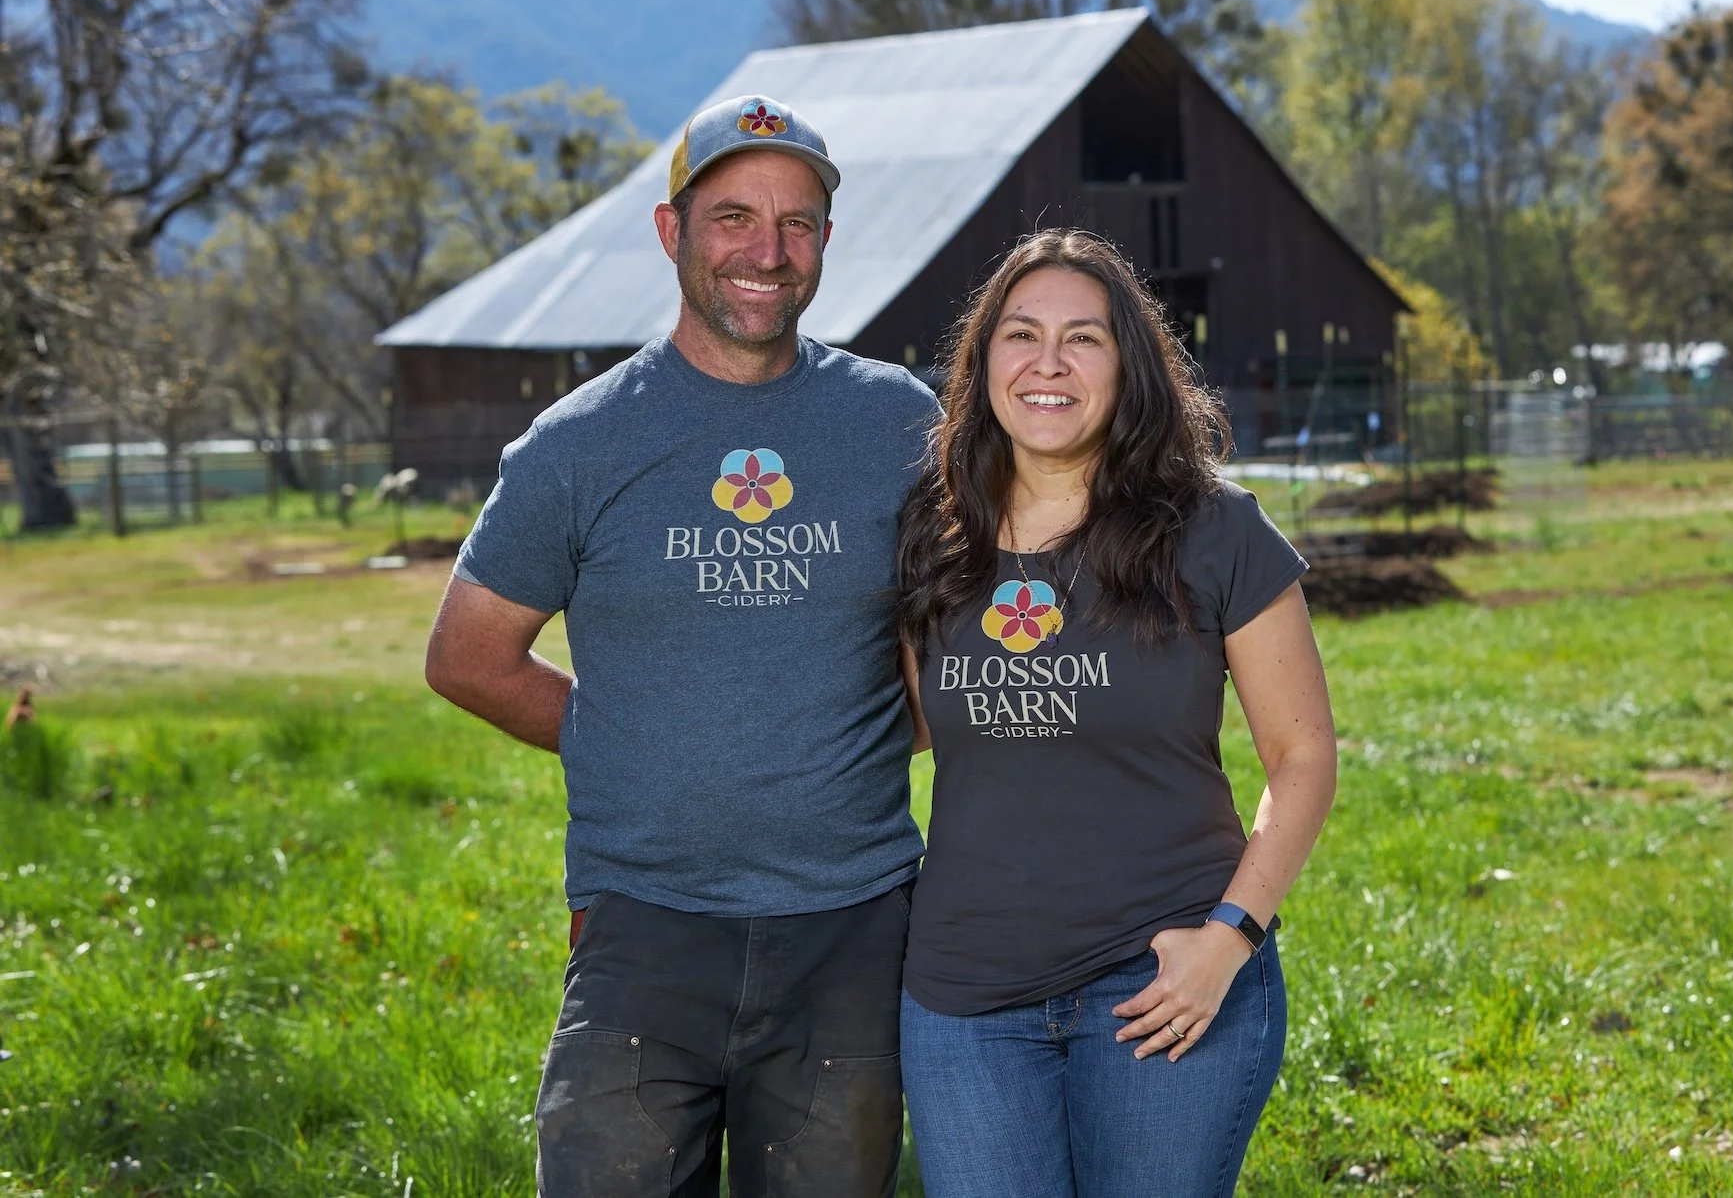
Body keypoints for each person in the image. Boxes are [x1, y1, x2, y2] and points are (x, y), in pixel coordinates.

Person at [425, 94, 938, 1198]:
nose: (767, 249)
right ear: (672, 232)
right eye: (732, 217)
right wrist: (631, 743)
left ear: (824, 245)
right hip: (644, 925)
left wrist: (861, 736)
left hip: (848, 926)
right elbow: (468, 655)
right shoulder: (577, 443)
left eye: (797, 222)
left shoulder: (899, 424)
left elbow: (960, 644)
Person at [893, 229, 1340, 1197]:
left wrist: (1229, 938)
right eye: (1019, 334)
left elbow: (1302, 757)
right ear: (981, 365)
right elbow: (905, 728)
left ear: (1127, 365)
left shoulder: (1216, 530)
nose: (1046, 363)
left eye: (1082, 339)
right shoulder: (930, 534)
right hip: (964, 1004)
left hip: (1161, 986)